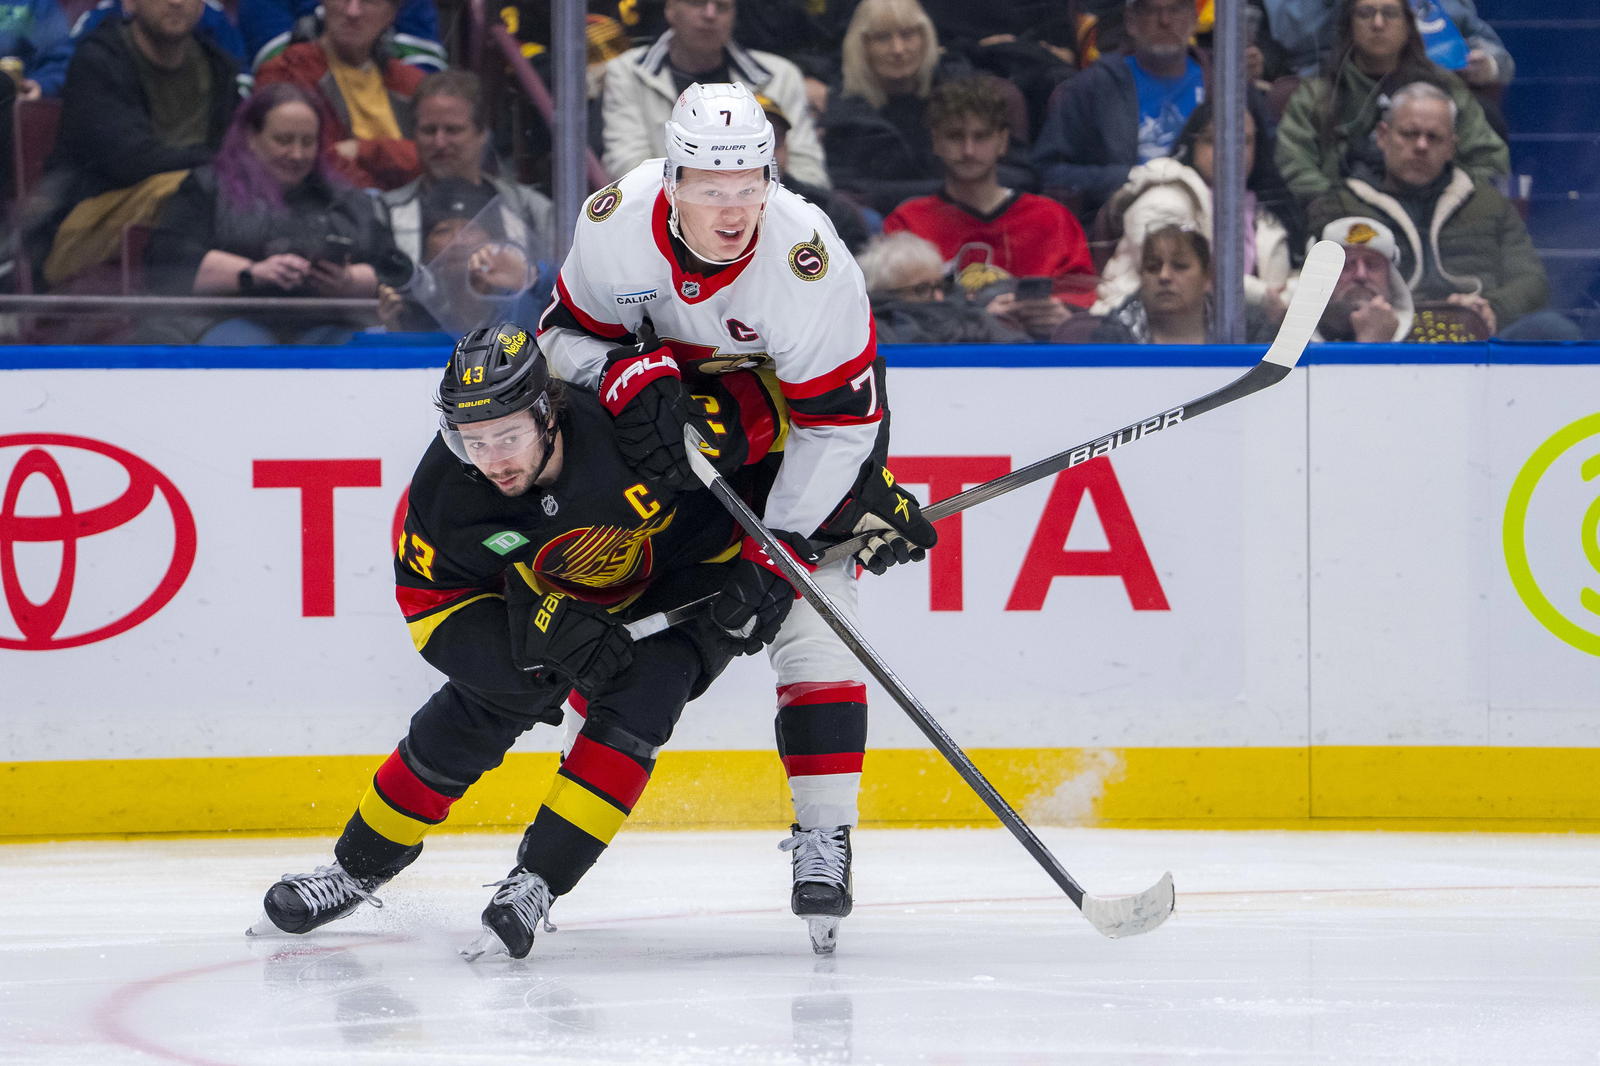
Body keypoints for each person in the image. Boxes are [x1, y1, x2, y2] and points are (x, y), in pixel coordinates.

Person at [536, 81, 939, 954]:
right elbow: (558, 340)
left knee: (815, 613)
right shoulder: (614, 225)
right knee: (617, 627)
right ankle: (545, 861)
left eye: (749, 183)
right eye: (712, 188)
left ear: (771, 175)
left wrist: (786, 545)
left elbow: (843, 424)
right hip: (675, 450)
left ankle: (825, 836)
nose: (733, 207)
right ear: (673, 178)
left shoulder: (807, 259)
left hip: (802, 443)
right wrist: (620, 373)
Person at [248, 323, 786, 960]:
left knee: (640, 705)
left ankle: (537, 883)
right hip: (551, 599)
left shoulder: (631, 426)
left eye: (508, 435)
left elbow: (787, 410)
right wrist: (534, 641)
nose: (494, 459)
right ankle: (355, 869)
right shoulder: (447, 494)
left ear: (548, 412)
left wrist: (779, 554)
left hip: (687, 579)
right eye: (473, 440)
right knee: (482, 701)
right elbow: (432, 609)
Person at [1305, 82, 1575, 340]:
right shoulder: (1340, 205)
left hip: (1478, 336)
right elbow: (1318, 292)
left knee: (1552, 330)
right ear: (1383, 136)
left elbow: (1532, 281)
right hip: (1386, 336)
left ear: (1451, 147)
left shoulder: (1490, 204)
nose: (1421, 146)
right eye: (1409, 134)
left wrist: (1489, 309)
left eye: (1434, 137)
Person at [141, 82, 396, 344]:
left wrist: (347, 280)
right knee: (247, 348)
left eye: (307, 142)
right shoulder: (207, 188)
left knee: (348, 352)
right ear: (251, 137)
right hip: (223, 320)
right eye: (283, 140)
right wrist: (252, 272)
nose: (297, 154)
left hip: (325, 322)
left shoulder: (345, 199)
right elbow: (167, 262)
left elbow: (391, 268)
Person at [34, 0, 239, 288]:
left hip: (199, 210)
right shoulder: (99, 60)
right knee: (188, 187)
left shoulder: (218, 66)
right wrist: (214, 165)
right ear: (130, 3)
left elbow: (241, 150)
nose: (177, 2)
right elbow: (132, 161)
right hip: (86, 225)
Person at [883, 76, 1095, 339]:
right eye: (955, 136)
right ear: (936, 141)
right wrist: (974, 314)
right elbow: (894, 311)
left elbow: (1086, 298)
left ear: (1003, 141)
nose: (969, 150)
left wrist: (1066, 318)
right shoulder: (908, 223)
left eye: (981, 136)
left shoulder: (1052, 219)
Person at [1273, 0, 1505, 208]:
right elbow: (1294, 166)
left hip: (1438, 222)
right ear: (1349, 24)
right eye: (1365, 13)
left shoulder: (1444, 89)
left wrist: (1451, 203)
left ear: (1409, 24)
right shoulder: (1316, 97)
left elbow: (1489, 161)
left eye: (1390, 13)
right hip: (1345, 223)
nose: (1378, 23)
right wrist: (1339, 204)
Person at [377, 69, 555, 329]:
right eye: (429, 130)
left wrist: (531, 276)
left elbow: (565, 291)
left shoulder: (531, 209)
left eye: (453, 130)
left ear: (483, 133)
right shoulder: (384, 211)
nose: (440, 142)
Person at [821, 0, 1032, 218]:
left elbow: (1019, 174)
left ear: (926, 37)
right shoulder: (846, 110)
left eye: (908, 35)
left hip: (971, 214)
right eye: (883, 38)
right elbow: (848, 190)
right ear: (862, 46)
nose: (898, 49)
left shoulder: (963, 92)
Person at [1093, 99, 1294, 317]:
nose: (1229, 151)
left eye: (1243, 141)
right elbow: (1177, 272)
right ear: (1191, 146)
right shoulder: (1164, 195)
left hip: (1247, 330)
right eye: (1212, 141)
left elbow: (1283, 287)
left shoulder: (1263, 210)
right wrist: (1264, 296)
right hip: (1144, 328)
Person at [600, 0, 829, 190]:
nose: (710, 14)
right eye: (697, 3)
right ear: (670, 9)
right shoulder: (628, 72)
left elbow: (810, 175)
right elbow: (628, 170)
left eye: (721, 6)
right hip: (661, 218)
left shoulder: (780, 76)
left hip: (767, 214)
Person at [1032, 0, 1208, 221]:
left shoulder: (1223, 84)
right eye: (1151, 10)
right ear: (1131, 20)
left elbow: (1261, 177)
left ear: (1194, 17)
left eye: (1176, 9)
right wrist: (1127, 178)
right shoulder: (1091, 88)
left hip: (1210, 223)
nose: (1165, 21)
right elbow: (1049, 172)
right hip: (1117, 227)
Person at [253, 0, 423, 191]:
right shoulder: (287, 72)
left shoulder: (411, 84)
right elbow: (316, 166)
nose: (352, 11)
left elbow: (439, 157)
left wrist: (363, 150)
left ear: (391, 15)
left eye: (370, 2)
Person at [1091, 224, 1278, 343]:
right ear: (1141, 275)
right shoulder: (1113, 336)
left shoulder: (1249, 330)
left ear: (1207, 277)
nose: (1164, 276)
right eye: (1153, 267)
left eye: (1179, 266)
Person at [858, 230, 1029, 343]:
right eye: (923, 289)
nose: (939, 297)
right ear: (884, 295)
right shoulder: (867, 336)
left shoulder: (972, 319)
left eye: (941, 286)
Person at [754, 91, 869, 254]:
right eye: (755, 142)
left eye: (775, 139)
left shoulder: (828, 209)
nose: (767, 152)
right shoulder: (710, 209)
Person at [239, 0, 446, 73]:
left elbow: (425, 72)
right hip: (307, 118)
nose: (353, 11)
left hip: (390, 111)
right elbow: (277, 72)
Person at [1311, 215, 1415, 342]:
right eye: (1347, 265)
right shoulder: (1292, 344)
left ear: (1391, 279)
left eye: (1372, 265)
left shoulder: (1421, 340)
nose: (1361, 275)